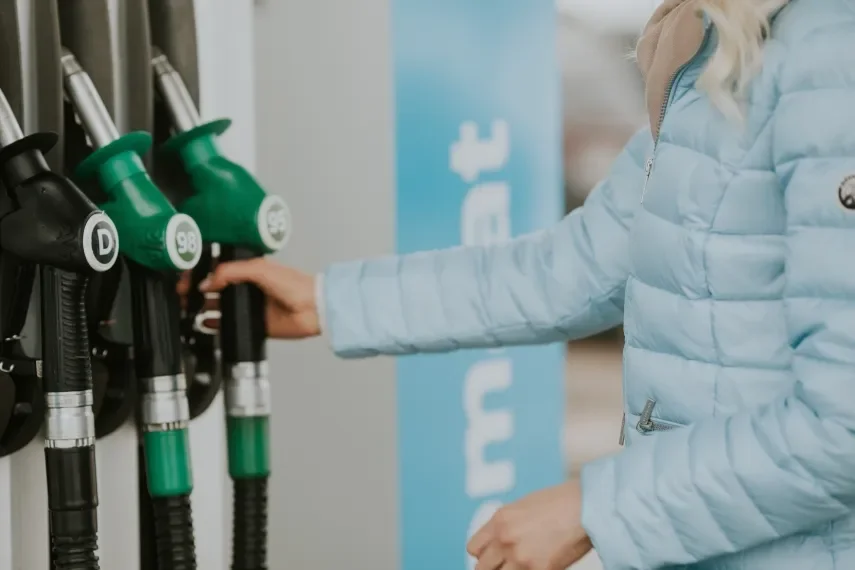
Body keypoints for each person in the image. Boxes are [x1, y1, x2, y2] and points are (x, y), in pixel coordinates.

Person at [197, 0, 855, 568]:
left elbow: (843, 426)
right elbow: (569, 269)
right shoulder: (716, 44)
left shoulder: (828, 55)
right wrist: (328, 301)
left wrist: (598, 508)